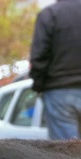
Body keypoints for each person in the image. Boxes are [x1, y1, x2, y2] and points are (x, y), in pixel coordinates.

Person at [29, 0, 81, 140]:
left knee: (67, 156)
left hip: (60, 93)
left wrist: (39, 87)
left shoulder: (50, 15)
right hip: (60, 91)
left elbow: (39, 57)